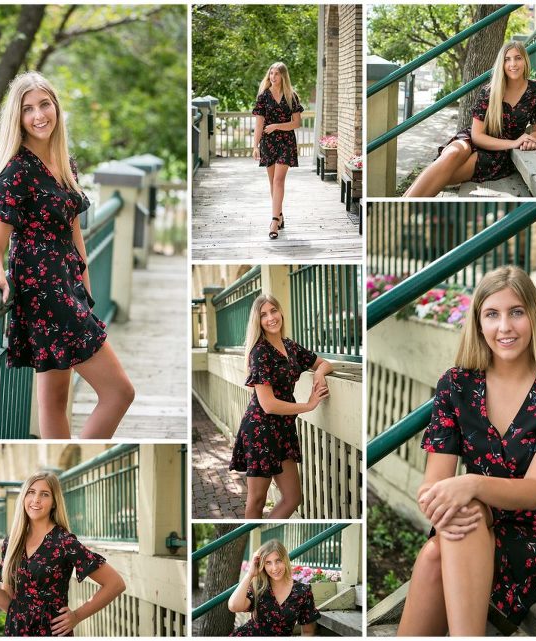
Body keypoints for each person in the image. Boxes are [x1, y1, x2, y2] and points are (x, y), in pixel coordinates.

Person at [397, 265, 536, 636]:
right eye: (492, 314)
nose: (505, 327)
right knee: (454, 529)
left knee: (441, 546)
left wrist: (471, 484)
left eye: (516, 312)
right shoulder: (456, 384)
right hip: (473, 524)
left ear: (534, 317)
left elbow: (534, 492)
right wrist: (440, 499)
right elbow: (432, 485)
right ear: (478, 322)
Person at [0, 72, 134, 438]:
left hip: (68, 290)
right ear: (18, 118)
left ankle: (61, 459)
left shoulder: (65, 164)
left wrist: (86, 292)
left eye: (44, 105)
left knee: (55, 401)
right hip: (45, 296)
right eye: (28, 109)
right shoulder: (16, 172)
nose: (38, 115)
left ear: (56, 107)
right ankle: (78, 457)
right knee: (120, 393)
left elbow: (75, 235)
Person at [0, 471, 126, 636]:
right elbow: (8, 602)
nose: (36, 499)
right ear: (23, 497)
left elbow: (115, 583)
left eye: (44, 494)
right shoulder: (12, 543)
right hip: (16, 631)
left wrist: (77, 616)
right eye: (31, 492)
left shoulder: (64, 542)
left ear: (54, 503)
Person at [229, 294, 333, 518]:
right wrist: (309, 405)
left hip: (283, 430)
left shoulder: (290, 346)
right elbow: (268, 405)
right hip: (261, 430)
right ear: (258, 321)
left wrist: (319, 375)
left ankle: (266, 532)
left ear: (281, 312)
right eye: (264, 315)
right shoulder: (260, 352)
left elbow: (324, 363)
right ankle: (255, 536)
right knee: (257, 500)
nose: (271, 318)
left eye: (273, 311)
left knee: (293, 498)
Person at [405, 42, 536, 197]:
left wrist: (530, 140)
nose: (513, 64)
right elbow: (477, 136)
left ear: (525, 60)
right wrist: (514, 143)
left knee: (442, 175)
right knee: (452, 153)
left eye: (518, 58)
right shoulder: (489, 92)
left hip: (498, 154)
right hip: (476, 139)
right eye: (507, 59)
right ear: (501, 64)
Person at [251, 62, 304, 240]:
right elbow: (259, 124)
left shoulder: (291, 96)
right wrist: (255, 146)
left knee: (279, 180)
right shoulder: (263, 96)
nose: (273, 77)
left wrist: (276, 126)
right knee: (273, 182)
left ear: (283, 76)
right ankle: (280, 215)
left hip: (286, 141)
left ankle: (274, 221)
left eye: (276, 74)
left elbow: (297, 123)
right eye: (271, 73)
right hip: (268, 142)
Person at [228, 540, 320, 636]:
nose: (274, 568)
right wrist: (250, 574)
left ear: (285, 560)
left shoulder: (303, 591)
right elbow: (233, 606)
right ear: (263, 565)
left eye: (278, 561)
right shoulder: (259, 587)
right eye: (268, 563)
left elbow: (308, 632)